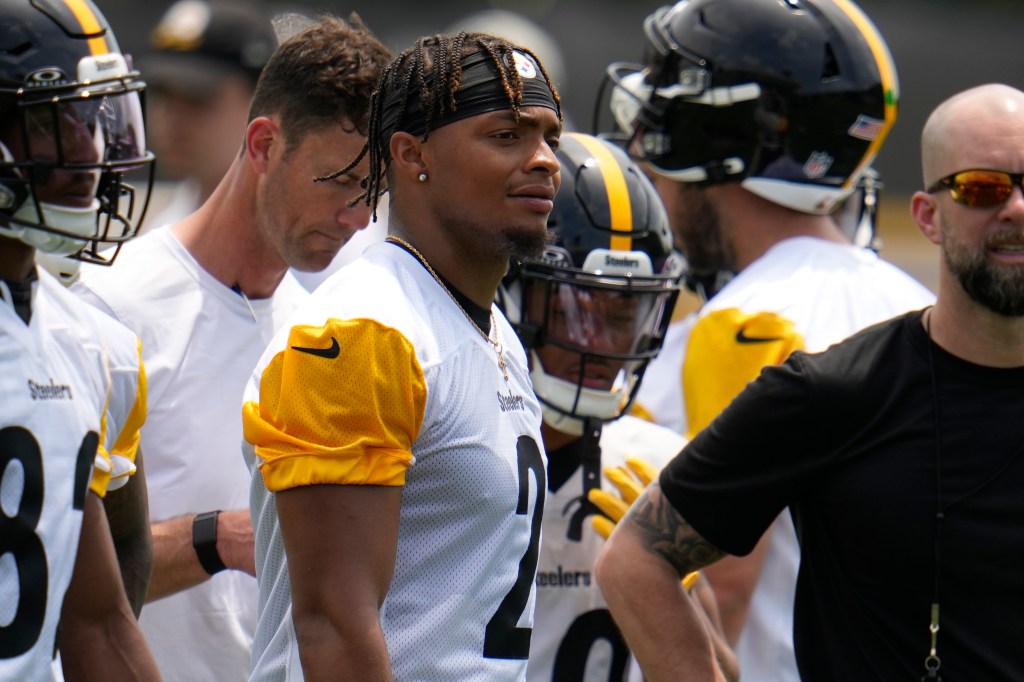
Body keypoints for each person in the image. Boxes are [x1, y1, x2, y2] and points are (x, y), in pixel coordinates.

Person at [596, 81, 1024, 681]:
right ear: (928, 216)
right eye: (982, 188)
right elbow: (638, 558)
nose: (1016, 209)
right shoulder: (836, 389)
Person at [72, 16, 392, 681]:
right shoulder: (107, 310)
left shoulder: (321, 334)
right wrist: (217, 538)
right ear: (264, 143)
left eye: (372, 193)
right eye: (336, 181)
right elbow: (58, 570)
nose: (357, 217)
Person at [241, 31, 561, 680]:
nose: (545, 159)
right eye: (507, 135)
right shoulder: (364, 333)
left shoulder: (488, 326)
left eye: (549, 135)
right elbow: (334, 628)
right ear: (412, 154)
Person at [495, 131, 736, 681]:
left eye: (624, 314)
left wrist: (672, 584)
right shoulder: (452, 447)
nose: (601, 342)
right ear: (509, 295)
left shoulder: (654, 464)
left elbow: (725, 671)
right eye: (577, 309)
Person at [0, 0, 160, 679]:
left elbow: (97, 620)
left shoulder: (89, 341)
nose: (89, 149)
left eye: (90, 117)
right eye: (49, 121)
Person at [143, 0, 277, 229]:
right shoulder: (165, 227)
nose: (172, 119)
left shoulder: (319, 236)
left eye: (196, 97)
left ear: (263, 100)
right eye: (162, 94)